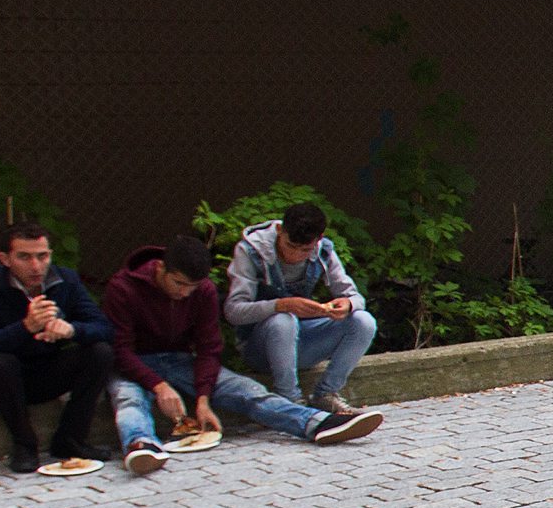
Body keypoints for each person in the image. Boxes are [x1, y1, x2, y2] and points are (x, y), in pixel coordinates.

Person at [102, 236, 378, 475]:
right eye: (178, 284)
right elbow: (120, 351)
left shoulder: (204, 291)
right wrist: (159, 386)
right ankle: (141, 446)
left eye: (192, 287)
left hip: (180, 360)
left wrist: (203, 399)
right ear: (161, 268)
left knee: (248, 390)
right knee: (129, 399)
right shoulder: (123, 288)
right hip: (132, 364)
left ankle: (315, 423)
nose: (184, 293)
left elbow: (209, 347)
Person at [0, 221, 115, 474]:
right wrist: (24, 327)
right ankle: (25, 445)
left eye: (43, 256)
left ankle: (71, 439)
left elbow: (105, 328)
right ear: (5, 259)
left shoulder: (66, 280)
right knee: (0, 363)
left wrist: (71, 330)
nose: (36, 266)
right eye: (24, 257)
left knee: (100, 352)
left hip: (43, 374)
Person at [226, 200, 384, 427]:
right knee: (283, 320)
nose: (297, 255)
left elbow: (355, 297)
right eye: (291, 246)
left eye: (305, 250)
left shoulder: (324, 250)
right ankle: (289, 400)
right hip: (260, 347)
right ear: (280, 231)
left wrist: (347, 305)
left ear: (318, 239)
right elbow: (233, 311)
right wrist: (280, 305)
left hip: (301, 340)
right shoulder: (250, 251)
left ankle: (325, 395)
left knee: (363, 321)